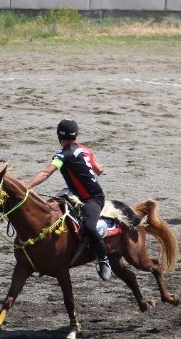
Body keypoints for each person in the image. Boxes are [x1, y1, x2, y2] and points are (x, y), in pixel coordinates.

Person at [26, 119, 111, 281]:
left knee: (89, 227)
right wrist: (100, 167)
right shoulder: (84, 150)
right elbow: (98, 170)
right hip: (74, 193)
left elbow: (46, 172)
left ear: (59, 135)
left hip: (92, 200)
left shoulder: (61, 155)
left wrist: (27, 186)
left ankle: (104, 259)